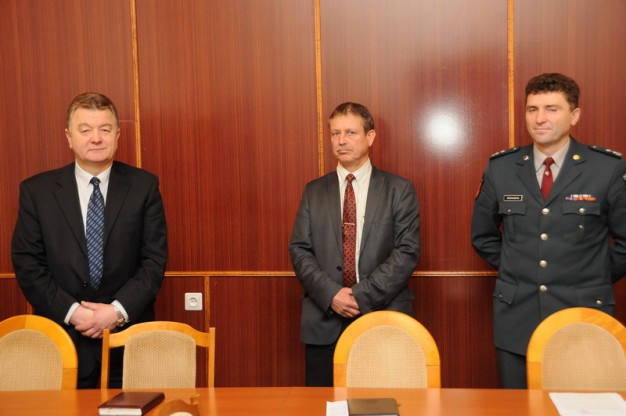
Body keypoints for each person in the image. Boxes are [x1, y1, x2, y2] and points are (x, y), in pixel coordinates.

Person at [471, 73, 626, 388]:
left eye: (552, 109)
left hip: (583, 313)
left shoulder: (607, 168)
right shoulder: (501, 167)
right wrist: (520, 267)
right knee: (519, 406)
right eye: (532, 109)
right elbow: (483, 237)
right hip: (517, 317)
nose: (540, 118)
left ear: (574, 115)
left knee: (582, 405)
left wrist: (589, 276)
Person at [11, 92, 168, 388]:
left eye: (105, 129)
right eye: (85, 130)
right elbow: (28, 265)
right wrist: (75, 313)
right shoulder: (37, 192)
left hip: (128, 341)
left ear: (117, 135)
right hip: (62, 342)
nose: (96, 138)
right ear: (69, 137)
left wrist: (116, 312)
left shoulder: (144, 186)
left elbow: (154, 261)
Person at [289, 102, 420, 386]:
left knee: (383, 404)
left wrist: (361, 295)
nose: (341, 140)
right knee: (324, 404)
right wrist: (332, 295)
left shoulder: (399, 190)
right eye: (335, 133)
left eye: (350, 132)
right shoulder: (314, 191)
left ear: (370, 137)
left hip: (383, 316)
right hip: (324, 320)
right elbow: (300, 250)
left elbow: (407, 252)